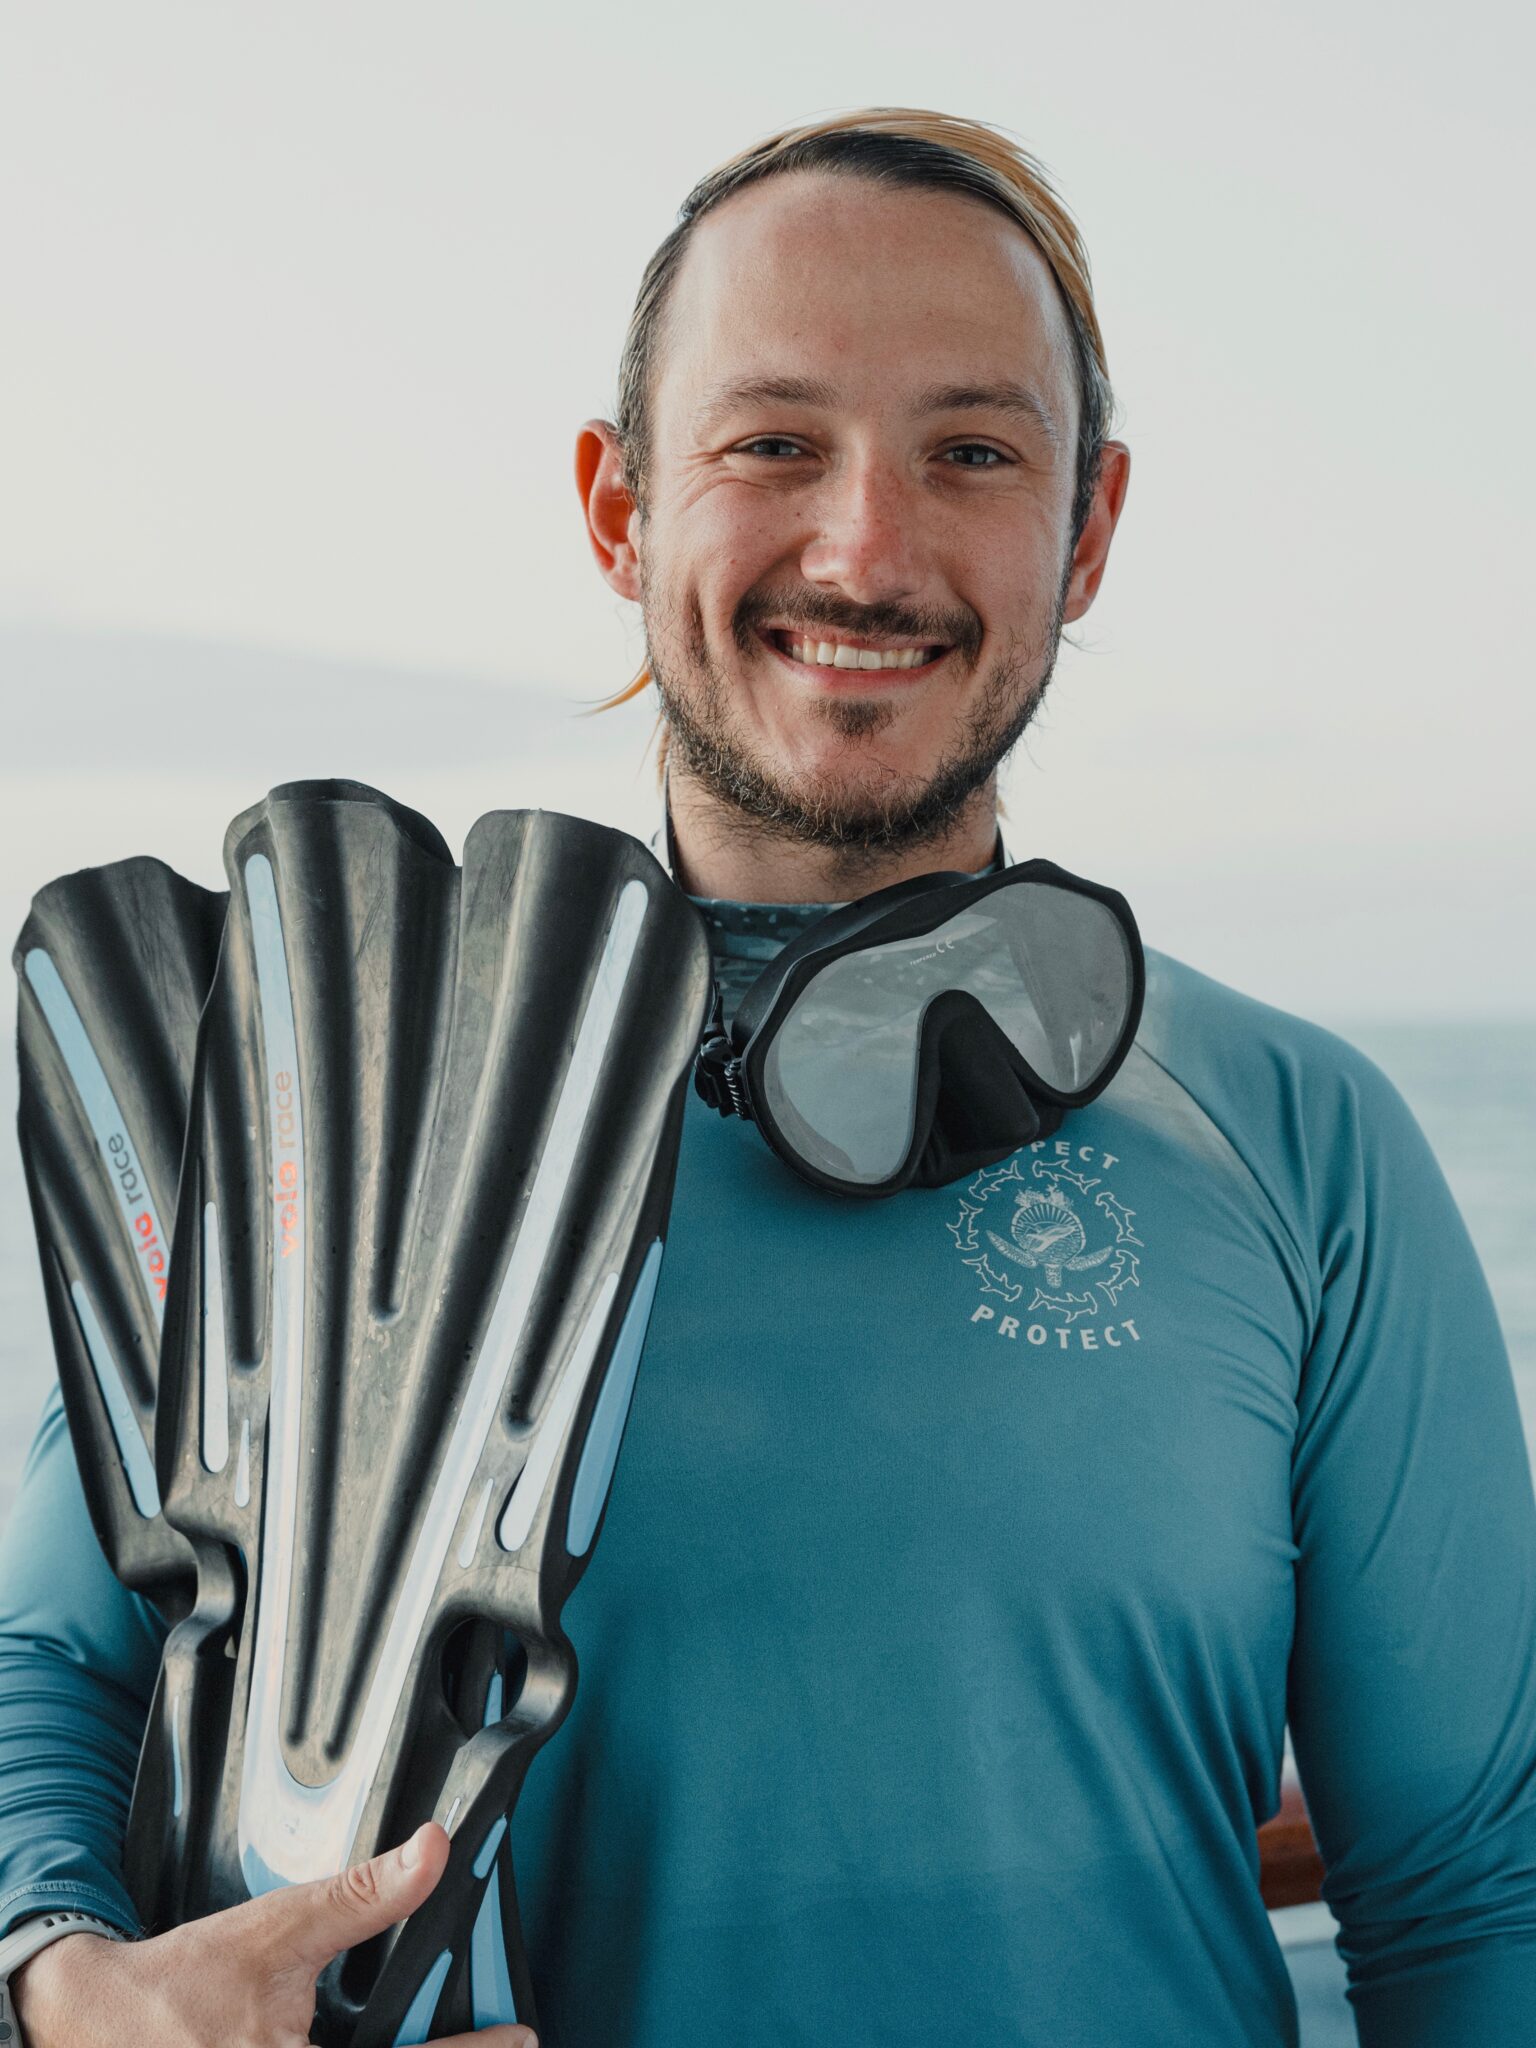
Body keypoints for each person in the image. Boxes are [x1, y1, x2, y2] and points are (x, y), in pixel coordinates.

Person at [3, 106, 1535, 2048]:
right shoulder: (351, 1100)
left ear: (1092, 523)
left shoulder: (1301, 1137)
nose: (866, 543)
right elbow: (42, 1670)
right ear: (620, 505)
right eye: (773, 443)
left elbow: (1482, 1885)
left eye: (971, 449)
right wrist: (70, 1989)